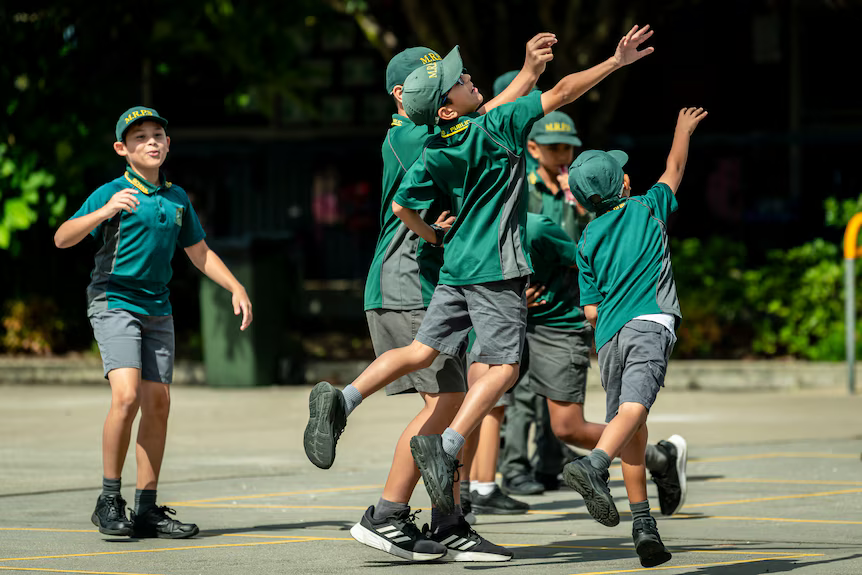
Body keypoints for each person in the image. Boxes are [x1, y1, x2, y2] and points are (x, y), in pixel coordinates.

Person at [353, 24, 652, 553]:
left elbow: (409, 197)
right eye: (456, 80)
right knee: (475, 389)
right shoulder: (446, 134)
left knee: (449, 385)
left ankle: (354, 406)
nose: (468, 80)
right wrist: (612, 62)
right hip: (460, 274)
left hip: (448, 272)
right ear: (422, 101)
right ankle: (399, 507)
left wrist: (530, 72)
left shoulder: (441, 141)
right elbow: (544, 101)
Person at [306, 35, 556, 562]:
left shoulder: (431, 132)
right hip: (409, 282)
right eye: (438, 80)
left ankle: (447, 520)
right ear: (404, 94)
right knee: (444, 406)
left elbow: (486, 114)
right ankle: (390, 515)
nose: (461, 86)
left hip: (426, 279)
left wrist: (526, 77)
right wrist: (528, 79)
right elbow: (488, 119)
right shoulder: (417, 139)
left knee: (448, 402)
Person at [54, 106, 253, 539]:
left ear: (168, 143)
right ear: (122, 149)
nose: (151, 142)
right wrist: (103, 212)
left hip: (157, 307)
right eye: (140, 136)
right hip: (113, 301)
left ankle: (146, 507)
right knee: (126, 397)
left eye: (158, 134)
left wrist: (235, 287)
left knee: (158, 404)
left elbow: (199, 253)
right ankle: (108, 500)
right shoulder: (111, 192)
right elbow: (62, 237)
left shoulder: (177, 198)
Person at [563, 106, 708, 568]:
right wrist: (681, 130)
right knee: (635, 411)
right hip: (650, 322)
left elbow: (589, 308)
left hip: (608, 337)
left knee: (632, 429)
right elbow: (675, 168)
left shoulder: (586, 239)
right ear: (624, 185)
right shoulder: (648, 208)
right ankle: (593, 465)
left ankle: (644, 524)